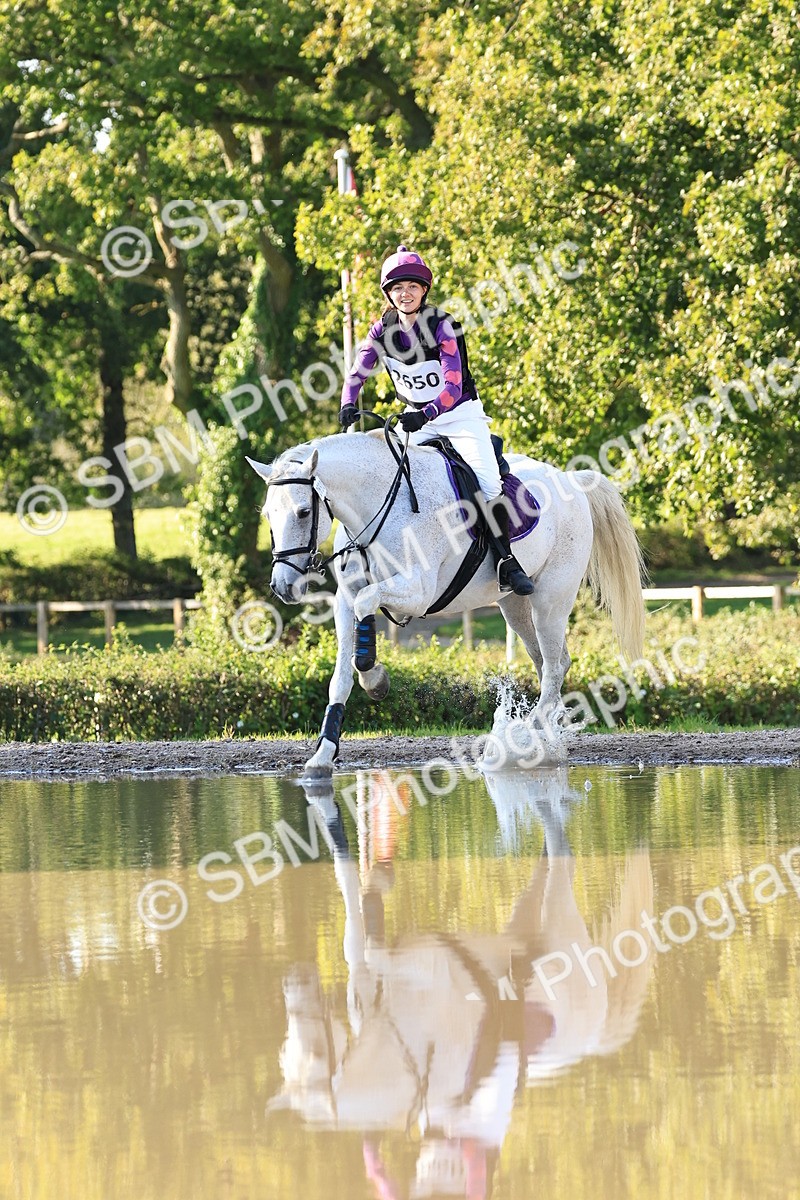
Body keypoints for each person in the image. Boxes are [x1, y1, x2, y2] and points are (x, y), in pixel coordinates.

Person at [339, 245, 534, 596]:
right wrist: (347, 403)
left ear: (424, 290)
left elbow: (453, 385)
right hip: (415, 419)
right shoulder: (381, 330)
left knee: (489, 483)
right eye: (398, 288)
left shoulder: (443, 326)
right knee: (387, 475)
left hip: (458, 416)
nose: (405, 293)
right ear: (388, 293)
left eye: (412, 286)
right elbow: (357, 373)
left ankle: (506, 561)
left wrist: (425, 415)